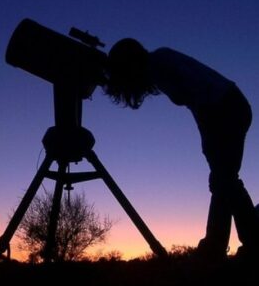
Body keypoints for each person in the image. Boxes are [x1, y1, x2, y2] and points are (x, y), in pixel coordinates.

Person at [104, 38, 258, 262]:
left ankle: (224, 246)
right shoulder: (158, 65)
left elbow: (201, 95)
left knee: (224, 180)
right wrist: (208, 140)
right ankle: (229, 245)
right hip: (227, 109)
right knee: (224, 181)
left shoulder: (160, 63)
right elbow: (197, 101)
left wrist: (208, 137)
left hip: (228, 110)